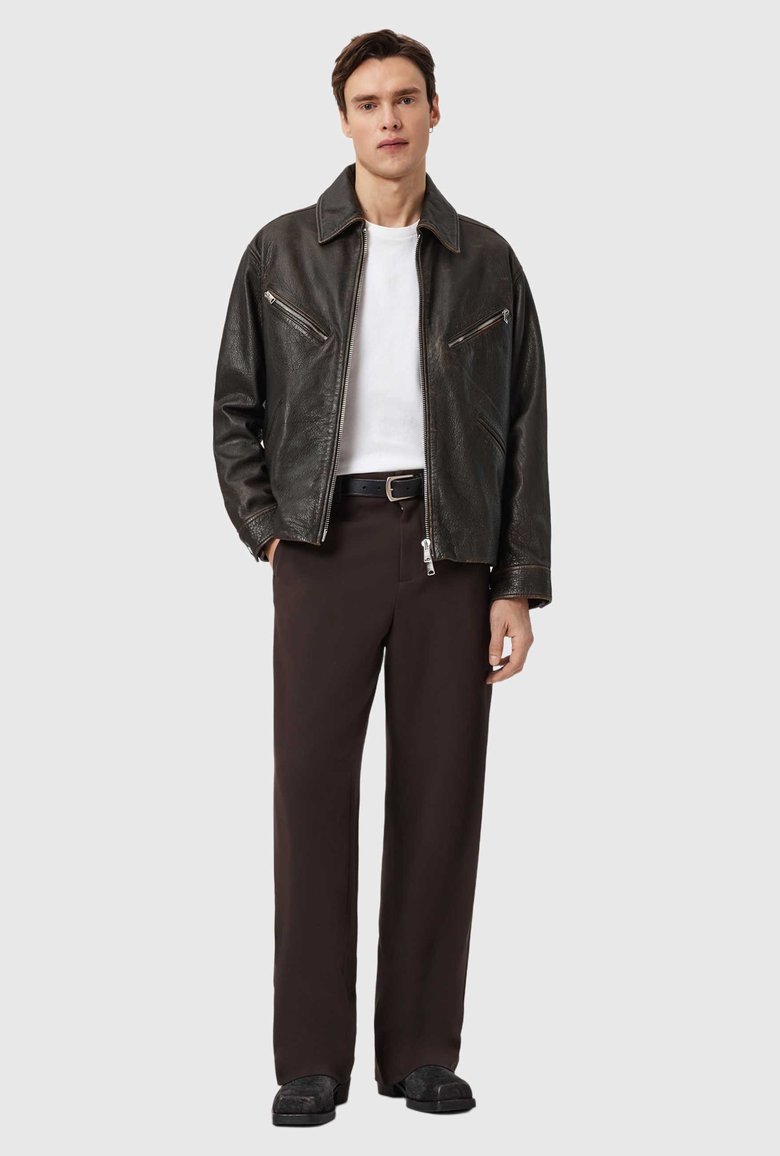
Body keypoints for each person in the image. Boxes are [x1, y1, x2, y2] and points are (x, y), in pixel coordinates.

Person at [212, 27, 552, 1127]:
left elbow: (524, 429)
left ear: (434, 112)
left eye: (406, 98)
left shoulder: (487, 261)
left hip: (451, 550)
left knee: (441, 798)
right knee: (312, 796)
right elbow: (235, 411)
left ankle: (422, 1054)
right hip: (323, 547)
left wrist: (516, 582)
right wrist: (271, 535)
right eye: (368, 102)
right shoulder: (281, 253)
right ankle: (309, 1059)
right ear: (345, 120)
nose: (389, 118)